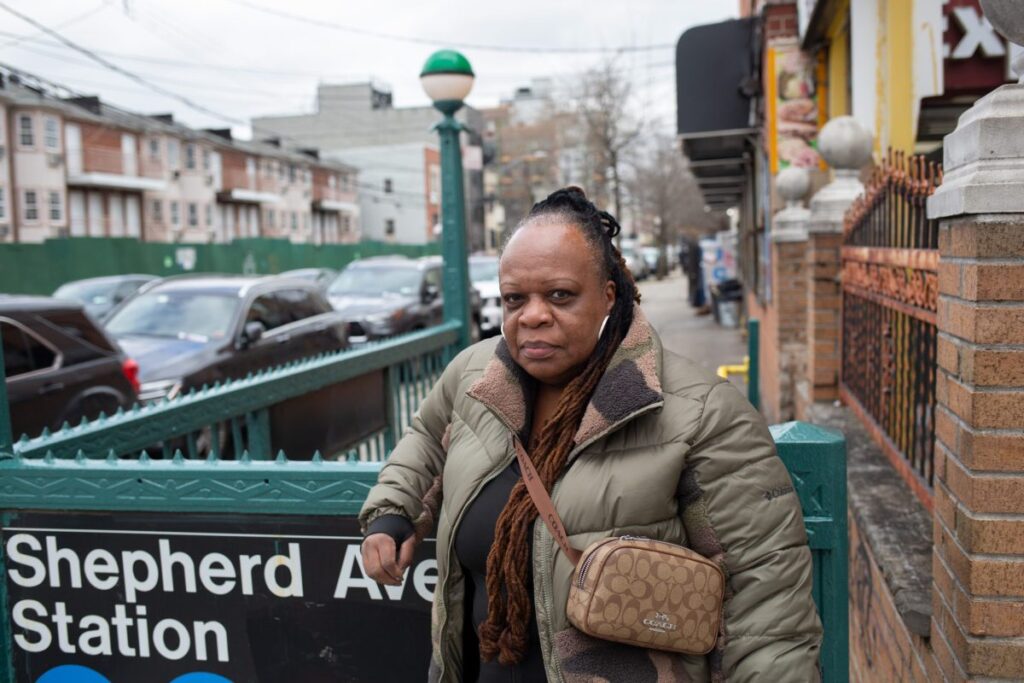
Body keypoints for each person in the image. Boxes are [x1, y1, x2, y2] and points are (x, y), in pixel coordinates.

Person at [360, 187, 822, 682]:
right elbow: (427, 439)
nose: (532, 315)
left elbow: (765, 603)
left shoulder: (701, 413)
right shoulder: (474, 377)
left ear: (608, 296)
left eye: (560, 295)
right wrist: (393, 511)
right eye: (515, 299)